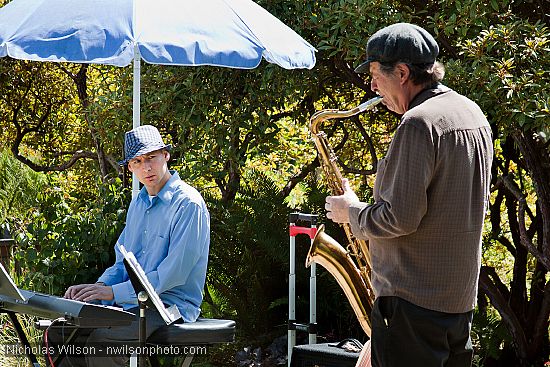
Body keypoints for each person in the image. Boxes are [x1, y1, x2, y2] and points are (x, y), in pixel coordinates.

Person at [324, 23, 493, 367]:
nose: (372, 86)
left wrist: (351, 211)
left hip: (412, 308)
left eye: (375, 75)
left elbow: (398, 218)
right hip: (457, 304)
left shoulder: (418, 123)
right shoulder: (471, 112)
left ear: (401, 72)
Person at [45, 125, 210, 367]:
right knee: (61, 333)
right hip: (134, 303)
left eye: (151, 157)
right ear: (130, 167)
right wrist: (98, 287)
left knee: (101, 342)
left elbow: (172, 275)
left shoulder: (188, 204)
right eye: (137, 161)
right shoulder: (138, 203)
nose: (146, 167)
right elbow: (124, 261)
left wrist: (112, 293)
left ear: (166, 155)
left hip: (170, 307)